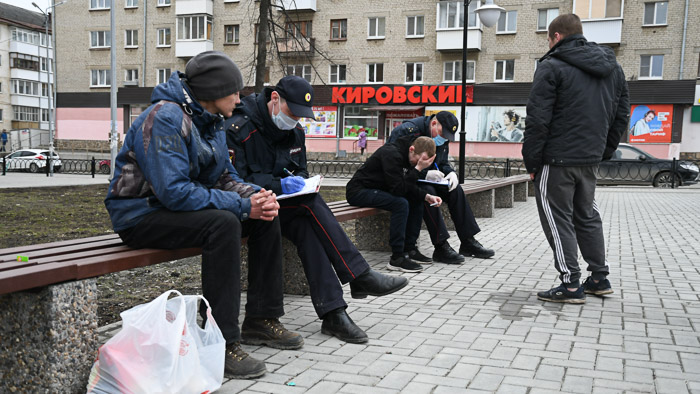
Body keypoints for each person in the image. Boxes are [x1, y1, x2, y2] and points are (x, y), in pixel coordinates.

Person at [104, 51, 302, 380]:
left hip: (171, 209)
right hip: (140, 214)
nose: (239, 99)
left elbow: (222, 177)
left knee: (266, 214)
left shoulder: (211, 121)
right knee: (223, 223)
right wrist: (241, 206)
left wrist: (256, 196)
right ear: (212, 92)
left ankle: (261, 319)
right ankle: (221, 342)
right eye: (234, 92)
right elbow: (174, 191)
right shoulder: (166, 117)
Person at [225, 76, 409, 344]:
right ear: (275, 99)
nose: (296, 121)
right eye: (293, 113)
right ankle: (357, 277)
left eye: (301, 116)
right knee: (309, 206)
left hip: (280, 208)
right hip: (247, 208)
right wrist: (280, 184)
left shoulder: (295, 130)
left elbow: (299, 168)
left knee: (308, 226)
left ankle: (335, 311)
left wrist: (300, 179)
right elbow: (234, 179)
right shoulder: (239, 126)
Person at [522, 14, 630, 303]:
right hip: (589, 159)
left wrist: (532, 163)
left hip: (556, 159)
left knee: (558, 219)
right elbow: (621, 115)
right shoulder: (613, 68)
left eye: (548, 38)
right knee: (588, 215)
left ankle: (570, 284)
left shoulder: (551, 66)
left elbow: (537, 120)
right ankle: (598, 277)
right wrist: (603, 151)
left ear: (556, 37)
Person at [387, 111, 495, 265]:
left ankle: (468, 241)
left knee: (455, 189)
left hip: (428, 179)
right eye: (442, 134)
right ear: (433, 123)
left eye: (446, 137)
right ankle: (441, 246)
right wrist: (424, 174)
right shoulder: (408, 131)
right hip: (407, 182)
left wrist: (451, 173)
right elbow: (394, 163)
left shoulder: (441, 137)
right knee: (427, 193)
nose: (443, 139)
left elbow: (442, 162)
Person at [347, 136, 441, 272]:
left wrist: (427, 196)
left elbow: (406, 186)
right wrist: (418, 169)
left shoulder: (408, 157)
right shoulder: (391, 154)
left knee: (416, 199)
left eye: (423, 162)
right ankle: (397, 258)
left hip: (378, 190)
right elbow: (398, 190)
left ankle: (410, 249)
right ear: (411, 149)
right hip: (359, 191)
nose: (417, 164)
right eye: (418, 160)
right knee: (400, 203)